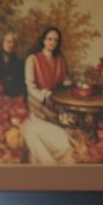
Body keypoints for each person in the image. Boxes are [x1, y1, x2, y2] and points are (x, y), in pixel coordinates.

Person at [22, 26, 74, 164]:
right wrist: (43, 95)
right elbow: (30, 86)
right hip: (38, 106)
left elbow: (64, 81)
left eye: (56, 40)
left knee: (64, 144)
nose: (52, 43)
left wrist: (67, 82)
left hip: (55, 107)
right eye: (49, 39)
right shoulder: (32, 59)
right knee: (50, 139)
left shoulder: (60, 60)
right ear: (43, 40)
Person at [0, 31, 23, 96]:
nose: (11, 45)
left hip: (12, 95)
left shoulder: (19, 63)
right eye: (9, 42)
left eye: (14, 43)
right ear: (3, 42)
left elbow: (20, 84)